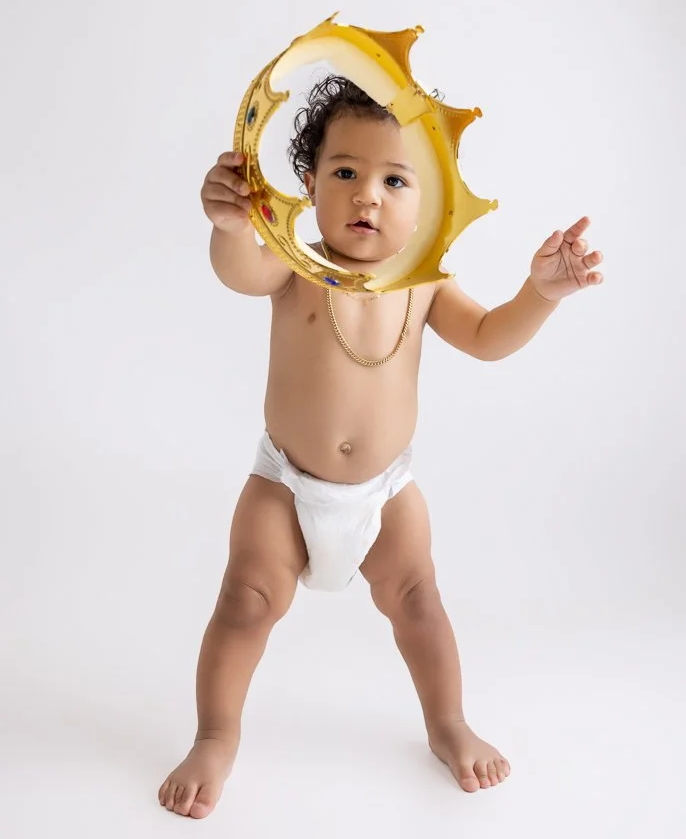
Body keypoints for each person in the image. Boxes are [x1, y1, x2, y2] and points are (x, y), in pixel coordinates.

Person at [158, 76, 604, 818]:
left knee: (421, 603)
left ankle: (448, 723)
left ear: (426, 199)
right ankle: (215, 734)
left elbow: (490, 340)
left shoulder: (424, 284)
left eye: (395, 180)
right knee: (243, 601)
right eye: (345, 173)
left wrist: (540, 295)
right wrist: (231, 224)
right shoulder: (296, 266)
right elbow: (238, 273)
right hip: (284, 487)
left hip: (384, 496)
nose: (368, 196)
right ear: (307, 185)